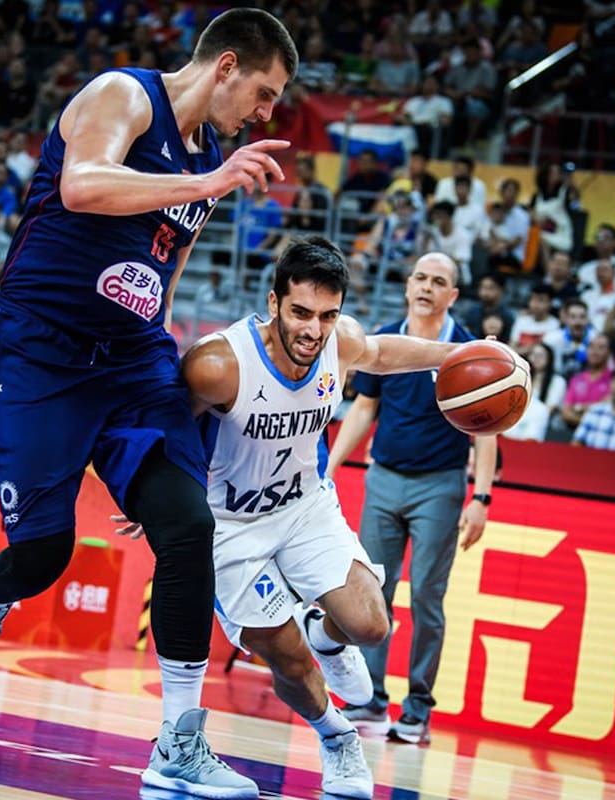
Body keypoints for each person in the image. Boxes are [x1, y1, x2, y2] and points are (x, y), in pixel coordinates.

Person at [0, 10, 298, 799]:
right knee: (45, 553)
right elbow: (83, 185)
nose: (266, 113)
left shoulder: (209, 158)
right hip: (41, 352)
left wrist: (165, 409)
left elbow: (168, 262)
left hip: (132, 361)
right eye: (264, 93)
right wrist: (205, 183)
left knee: (186, 524)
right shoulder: (124, 96)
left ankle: (179, 743)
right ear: (226, 66)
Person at [164, 238, 469, 797]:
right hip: (230, 526)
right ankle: (337, 737)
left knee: (372, 625)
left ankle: (325, 636)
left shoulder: (339, 341)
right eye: (301, 313)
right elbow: (168, 431)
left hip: (305, 508)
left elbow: (382, 353)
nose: (314, 330)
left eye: (328, 315)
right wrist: (154, 497)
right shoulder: (218, 364)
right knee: (289, 660)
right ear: (274, 302)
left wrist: (460, 355)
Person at [325, 252, 503, 746]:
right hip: (384, 478)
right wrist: (330, 467)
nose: (426, 287)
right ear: (407, 286)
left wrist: (481, 497)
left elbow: (486, 429)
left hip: (440, 486)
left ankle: (418, 706)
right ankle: (369, 698)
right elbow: (365, 408)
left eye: (438, 281)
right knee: (372, 591)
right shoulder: (384, 339)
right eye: (420, 277)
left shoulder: (469, 349)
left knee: (426, 594)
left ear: (453, 295)